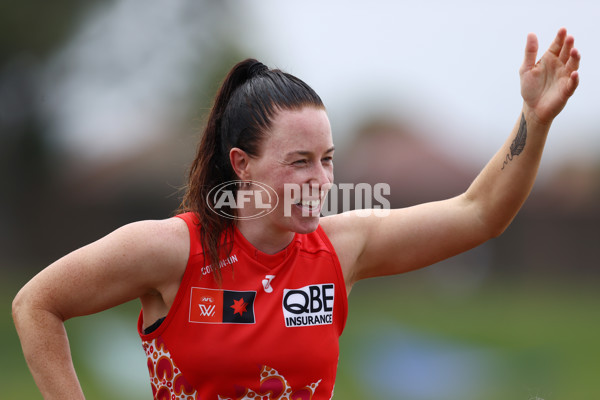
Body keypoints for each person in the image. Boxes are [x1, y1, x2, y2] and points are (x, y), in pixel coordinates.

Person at [12, 28, 580, 400]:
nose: (320, 181)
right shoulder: (170, 250)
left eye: (328, 160)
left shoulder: (342, 248)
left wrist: (535, 118)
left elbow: (480, 213)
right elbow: (36, 304)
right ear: (243, 164)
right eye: (300, 162)